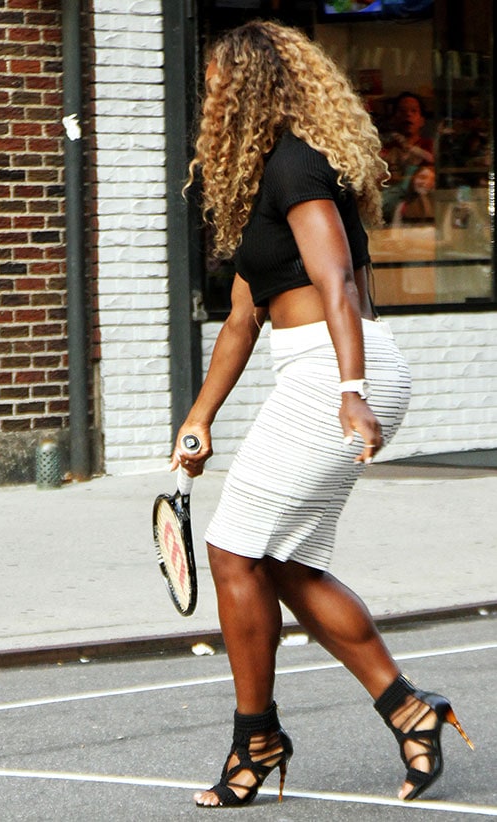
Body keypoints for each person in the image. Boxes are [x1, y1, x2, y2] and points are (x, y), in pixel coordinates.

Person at [171, 20, 473, 808]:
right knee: (283, 565)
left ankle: (257, 738)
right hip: (319, 372)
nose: (210, 98)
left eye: (218, 85)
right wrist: (198, 417)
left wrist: (351, 390)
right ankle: (410, 710)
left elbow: (337, 284)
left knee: (234, 553)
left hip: (335, 375)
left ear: (250, 89)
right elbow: (242, 320)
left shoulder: (298, 167)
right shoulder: (257, 184)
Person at [381, 92, 435, 223]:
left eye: (413, 111)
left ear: (422, 120)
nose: (408, 115)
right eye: (402, 111)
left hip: (423, 217)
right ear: (393, 118)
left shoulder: (430, 148)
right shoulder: (385, 150)